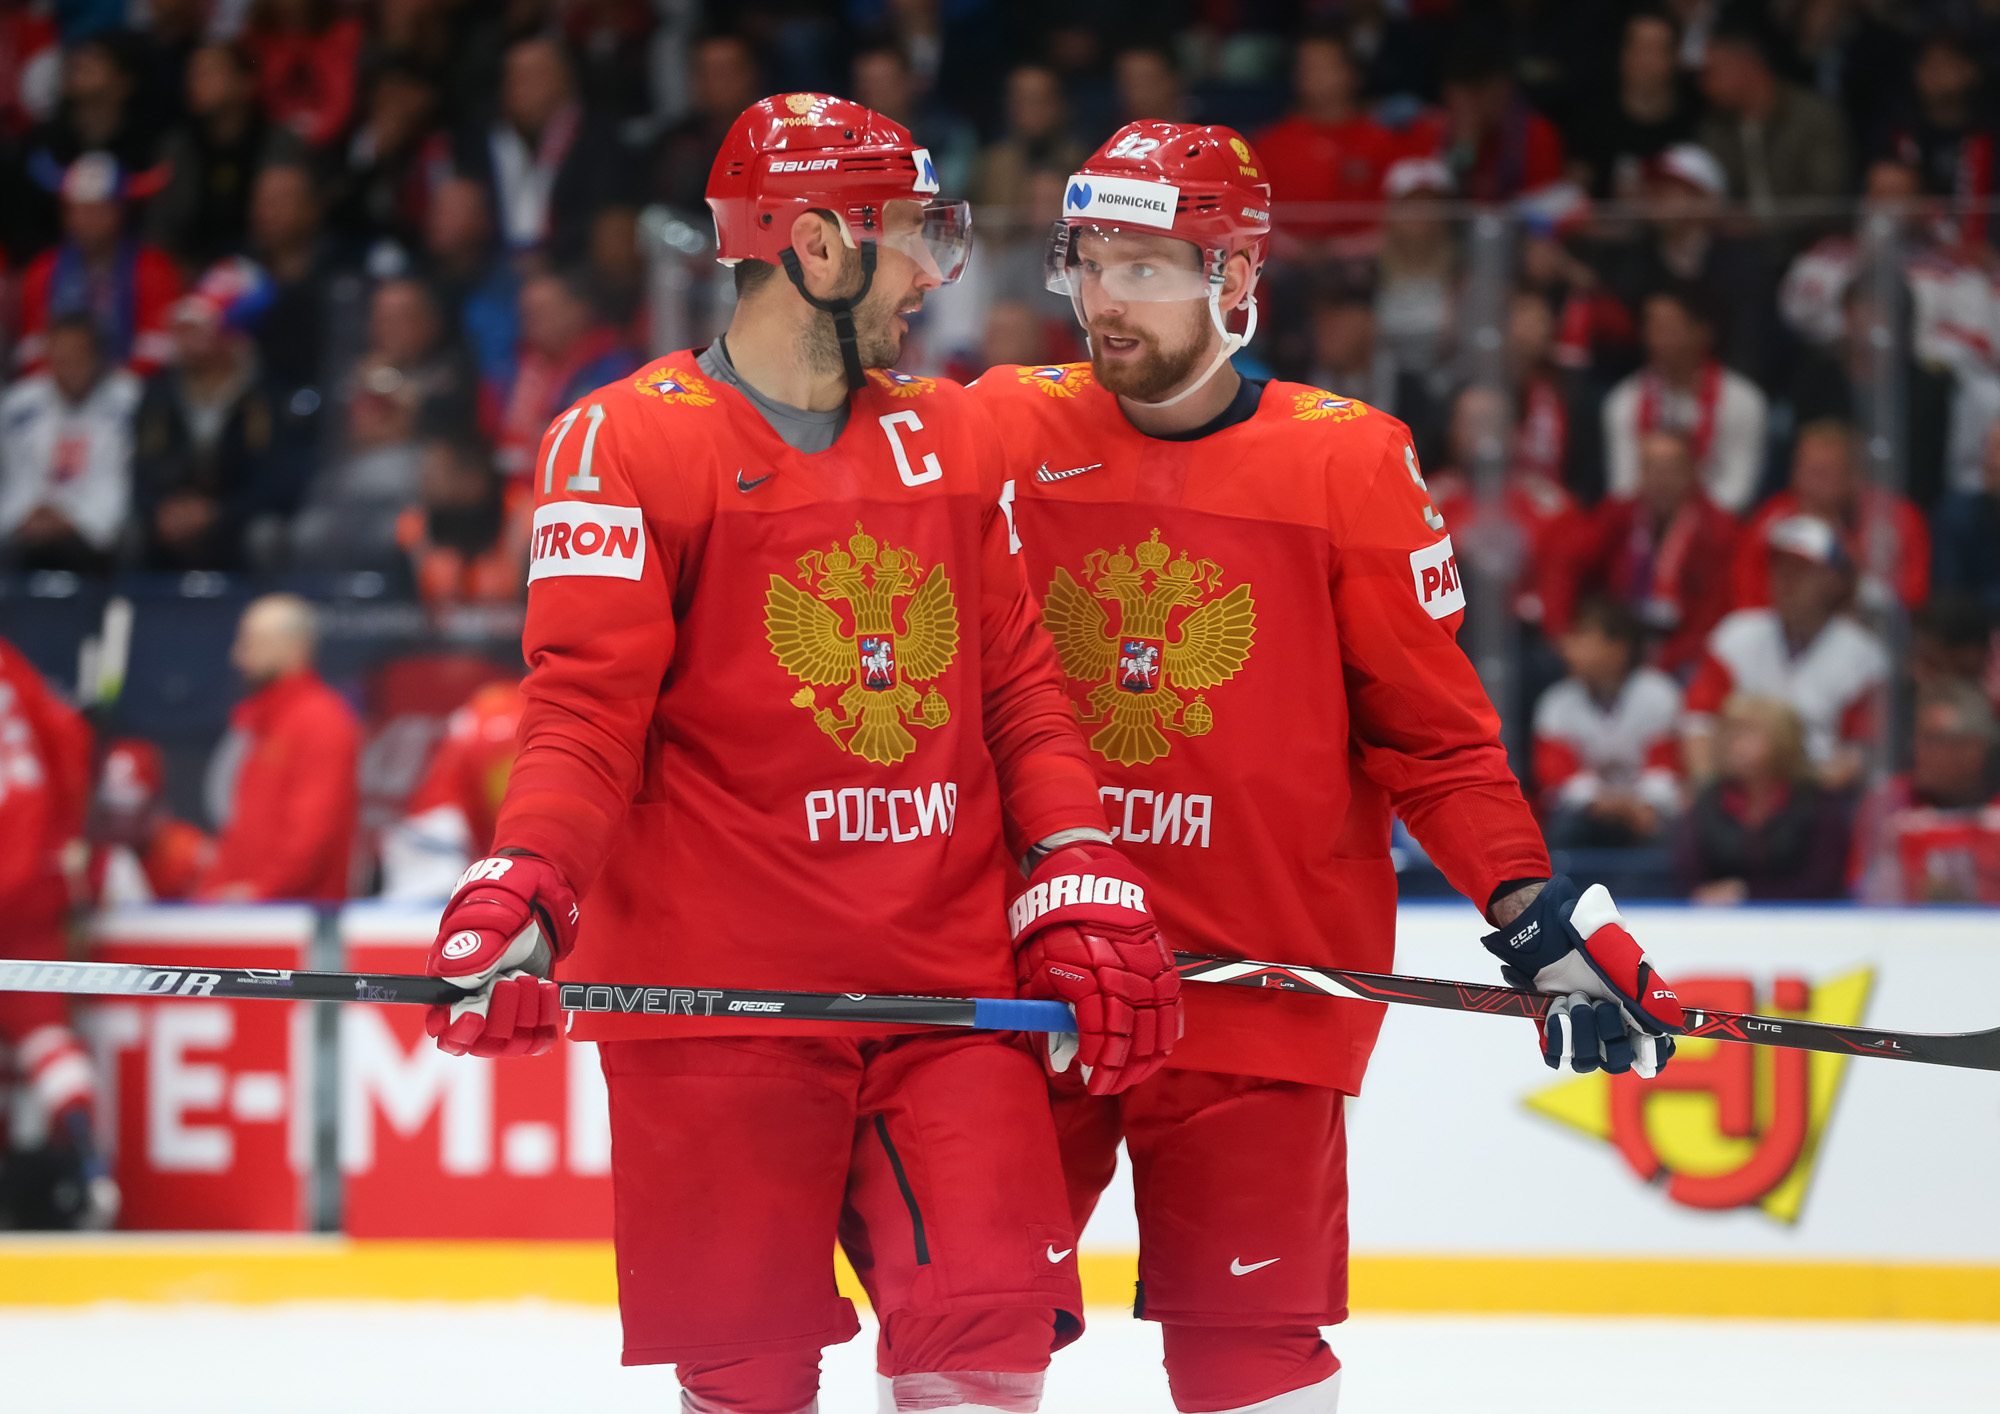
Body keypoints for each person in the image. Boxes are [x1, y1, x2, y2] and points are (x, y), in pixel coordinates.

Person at [418, 95, 1180, 1414]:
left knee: (989, 1344)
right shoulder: (625, 442)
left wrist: (1078, 862)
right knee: (751, 1380)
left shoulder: (945, 437)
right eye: (905, 237)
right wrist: (528, 884)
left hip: (946, 999)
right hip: (718, 1010)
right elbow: (585, 712)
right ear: (818, 248)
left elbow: (1020, 690)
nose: (933, 272)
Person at [970, 120, 1685, 1414]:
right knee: (969, 1330)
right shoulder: (995, 428)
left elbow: (1435, 733)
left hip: (1264, 987)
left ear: (1236, 280)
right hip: (1037, 978)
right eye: (1086, 260)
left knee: (1249, 1356)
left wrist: (1534, 913)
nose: (1102, 297)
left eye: (1145, 265)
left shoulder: (1345, 461)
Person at [0, 635, 113, 1229]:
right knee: (42, 1036)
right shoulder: (10, 663)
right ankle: (92, 1179)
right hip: (36, 878)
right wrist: (65, 838)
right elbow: (69, 737)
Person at [1684, 515, 1889, 792]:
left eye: (1802, 570)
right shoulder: (1736, 635)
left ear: (1834, 580)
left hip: (1818, 800)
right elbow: (1699, 724)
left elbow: (1859, 755)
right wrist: (1710, 791)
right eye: (1780, 568)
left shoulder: (1865, 657)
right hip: (1734, 791)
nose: (1786, 580)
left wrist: (1788, 800)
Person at [132, 257, 299, 571]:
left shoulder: (265, 397)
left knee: (265, 535)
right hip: (170, 520)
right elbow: (142, 467)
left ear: (230, 334)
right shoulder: (158, 393)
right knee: (129, 531)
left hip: (233, 520)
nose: (184, 341)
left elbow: (277, 480)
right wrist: (161, 509)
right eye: (182, 330)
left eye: (198, 330)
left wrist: (217, 513)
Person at [196, 593, 360, 902]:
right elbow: (241, 832)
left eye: (250, 642)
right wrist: (214, 893)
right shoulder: (263, 721)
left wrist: (259, 893)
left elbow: (312, 833)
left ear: (293, 649)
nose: (237, 656)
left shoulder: (321, 720)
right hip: (250, 912)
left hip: (290, 920)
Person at [1546, 427, 1738, 675]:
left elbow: (1714, 619)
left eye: (1670, 469)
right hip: (1619, 640)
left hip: (1681, 650)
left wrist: (1663, 660)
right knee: (1549, 664)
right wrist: (1561, 633)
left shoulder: (1719, 531)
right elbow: (1566, 563)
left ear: (1692, 472)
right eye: (1651, 468)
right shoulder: (1618, 515)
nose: (1660, 480)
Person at [1730, 419, 1929, 613]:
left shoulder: (1898, 519)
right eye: (1800, 468)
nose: (1804, 484)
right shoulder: (1773, 517)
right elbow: (1746, 596)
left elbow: (1911, 603)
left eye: (1821, 474)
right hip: (1784, 636)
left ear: (1855, 478)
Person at [1532, 596, 1683, 847]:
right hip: (1589, 813)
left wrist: (1638, 806)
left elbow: (1665, 772)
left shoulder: (1658, 694)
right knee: (1564, 826)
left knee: (1672, 830)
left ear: (1618, 650)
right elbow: (1557, 780)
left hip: (1647, 810)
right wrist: (1608, 804)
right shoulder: (1556, 702)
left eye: (1583, 638)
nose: (1568, 647)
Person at [1601, 285, 1767, 513]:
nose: (1656, 340)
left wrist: (1686, 527)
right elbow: (1623, 487)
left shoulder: (1743, 401)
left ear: (1702, 333)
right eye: (1651, 327)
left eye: (1668, 328)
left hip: (1716, 531)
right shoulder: (1624, 400)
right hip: (1643, 529)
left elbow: (1738, 489)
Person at [14, 150, 179, 377]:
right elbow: (32, 348)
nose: (88, 219)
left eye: (100, 208)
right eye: (78, 208)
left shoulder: (153, 268)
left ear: (121, 211)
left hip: (131, 388)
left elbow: (159, 347)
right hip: (55, 390)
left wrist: (107, 388)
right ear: (66, 214)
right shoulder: (43, 269)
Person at [1676, 693, 1852, 903]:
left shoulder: (1818, 804)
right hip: (1720, 926)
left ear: (1782, 740)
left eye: (1747, 733)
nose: (1734, 744)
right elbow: (1691, 882)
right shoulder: (1707, 803)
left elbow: (1824, 883)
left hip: (1803, 925)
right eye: (1730, 733)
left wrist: (1748, 894)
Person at [0, 313, 140, 573]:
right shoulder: (19, 404)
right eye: (60, 357)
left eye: (78, 356)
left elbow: (124, 478)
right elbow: (14, 477)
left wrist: (76, 519)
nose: (68, 366)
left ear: (98, 356)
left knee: (127, 541)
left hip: (98, 523)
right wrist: (27, 515)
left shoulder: (129, 401)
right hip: (28, 523)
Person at [147, 40, 307, 266]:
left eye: (209, 73)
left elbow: (289, 223)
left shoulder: (278, 141)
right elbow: (161, 226)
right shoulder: (177, 146)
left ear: (245, 82)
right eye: (192, 75)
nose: (195, 83)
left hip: (262, 267)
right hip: (189, 270)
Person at [1852, 679, 2000, 903]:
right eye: (1918, 738)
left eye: (1932, 739)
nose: (1917, 749)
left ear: (1973, 751)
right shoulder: (1888, 803)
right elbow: (1860, 893)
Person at [378, 679, 523, 900]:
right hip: (439, 843)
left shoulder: (496, 701)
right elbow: (514, 817)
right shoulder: (500, 710)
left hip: (468, 843)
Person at [1697, 13, 1849, 223]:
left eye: (1713, 72)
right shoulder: (1715, 129)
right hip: (1738, 250)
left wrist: (1761, 225)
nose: (1705, 86)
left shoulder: (1814, 119)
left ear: (1745, 68)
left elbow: (1826, 199)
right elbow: (1712, 197)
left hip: (1811, 244)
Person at [1254, 30, 1403, 245]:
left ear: (1353, 74)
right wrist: (1293, 250)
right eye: (1304, 66)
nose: (1310, 74)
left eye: (1323, 66)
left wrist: (1344, 250)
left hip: (1368, 264)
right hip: (1282, 266)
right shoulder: (1267, 144)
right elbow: (1249, 215)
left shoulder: (1384, 142)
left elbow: (1405, 218)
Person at [492, 268, 639, 479]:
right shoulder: (518, 366)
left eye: (541, 311)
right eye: (526, 314)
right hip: (521, 495)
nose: (530, 323)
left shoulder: (613, 368)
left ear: (579, 310)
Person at [1573, 8, 1699, 200]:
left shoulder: (1696, 116)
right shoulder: (1591, 117)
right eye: (1634, 47)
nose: (1641, 60)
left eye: (1653, 50)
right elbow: (1575, 193)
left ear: (1674, 58)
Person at [394, 429, 524, 609]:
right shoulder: (414, 523)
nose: (426, 481)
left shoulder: (523, 516)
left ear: (474, 477)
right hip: (434, 635)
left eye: (436, 473)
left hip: (514, 633)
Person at [83, 737, 213, 905]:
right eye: (109, 810)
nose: (118, 821)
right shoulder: (87, 856)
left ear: (156, 807)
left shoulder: (186, 853)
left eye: (129, 808)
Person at [1932, 420, 2000, 616]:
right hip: (1976, 635)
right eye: (1987, 449)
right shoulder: (1958, 515)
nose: (1989, 461)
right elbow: (1952, 597)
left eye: (1999, 450)